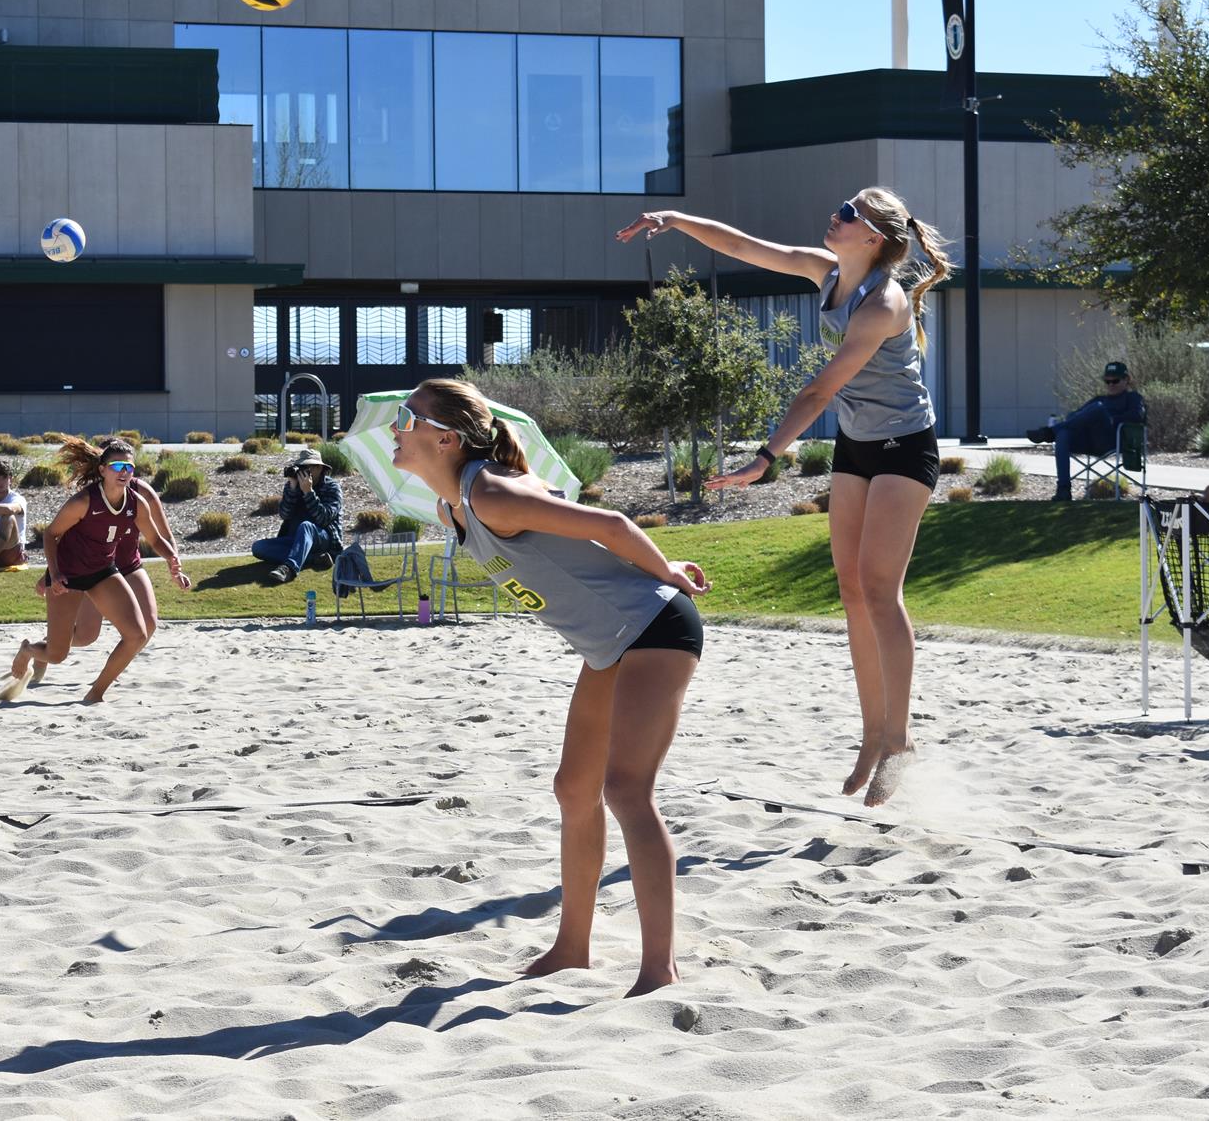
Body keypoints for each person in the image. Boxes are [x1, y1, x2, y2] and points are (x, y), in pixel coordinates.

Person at [617, 188, 952, 807]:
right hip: (857, 445)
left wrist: (765, 458)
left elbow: (818, 393)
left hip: (906, 446)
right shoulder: (827, 271)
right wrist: (678, 218)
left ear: (873, 236)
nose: (836, 214)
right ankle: (872, 736)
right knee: (851, 589)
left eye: (849, 213)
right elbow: (745, 247)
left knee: (880, 590)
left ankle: (899, 738)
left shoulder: (882, 302)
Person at [391, 378, 710, 998]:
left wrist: (667, 570)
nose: (398, 428)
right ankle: (572, 947)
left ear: (447, 437)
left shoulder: (489, 495)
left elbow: (613, 525)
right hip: (608, 643)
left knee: (625, 789)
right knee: (574, 789)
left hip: (654, 624)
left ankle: (659, 968)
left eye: (409, 417)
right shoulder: (453, 505)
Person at [0, 438, 188, 704]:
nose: (124, 472)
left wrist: (172, 561)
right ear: (102, 470)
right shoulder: (85, 501)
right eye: (117, 466)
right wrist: (52, 575)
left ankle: (95, 693)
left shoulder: (136, 502)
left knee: (138, 634)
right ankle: (28, 650)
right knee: (57, 654)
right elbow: (52, 534)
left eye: (129, 467)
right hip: (70, 576)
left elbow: (156, 539)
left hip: (103, 572)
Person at [1026, 362, 1147, 501]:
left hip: (1112, 441)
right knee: (1063, 434)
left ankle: (1049, 432)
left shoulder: (1133, 398)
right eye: (1107, 381)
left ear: (1126, 380)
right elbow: (1074, 415)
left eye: (1115, 380)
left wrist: (1112, 419)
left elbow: (1137, 416)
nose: (1111, 384)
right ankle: (1063, 489)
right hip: (1090, 441)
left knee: (1098, 409)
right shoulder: (1099, 399)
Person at [250, 449, 343, 583]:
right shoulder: (293, 485)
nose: (303, 471)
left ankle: (289, 568)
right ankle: (315, 559)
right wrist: (293, 490)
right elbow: (284, 514)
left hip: (323, 538)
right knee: (258, 547)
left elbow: (324, 518)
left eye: (307, 467)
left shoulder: (332, 487)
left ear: (319, 468)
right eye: (301, 467)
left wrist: (308, 492)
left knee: (306, 526)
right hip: (295, 540)